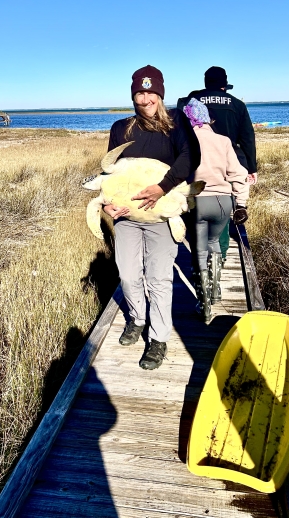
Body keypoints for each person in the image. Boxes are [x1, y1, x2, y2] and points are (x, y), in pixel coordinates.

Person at [104, 65, 200, 370]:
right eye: (139, 93)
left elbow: (190, 157)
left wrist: (162, 187)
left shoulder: (177, 123)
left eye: (151, 92)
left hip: (161, 218)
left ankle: (158, 338)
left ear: (160, 94)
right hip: (128, 217)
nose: (145, 99)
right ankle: (137, 319)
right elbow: (111, 173)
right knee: (128, 275)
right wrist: (107, 205)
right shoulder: (121, 128)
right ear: (133, 95)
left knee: (159, 279)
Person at [177, 66, 257, 259]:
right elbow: (247, 138)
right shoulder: (237, 104)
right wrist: (251, 168)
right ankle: (220, 254)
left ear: (205, 83)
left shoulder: (190, 101)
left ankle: (199, 256)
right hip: (230, 161)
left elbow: (176, 130)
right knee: (224, 208)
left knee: (195, 210)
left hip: (196, 163)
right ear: (224, 85)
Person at [181, 97, 249, 320]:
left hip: (197, 202)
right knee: (215, 243)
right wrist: (241, 203)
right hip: (223, 201)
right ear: (207, 119)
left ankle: (204, 306)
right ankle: (216, 290)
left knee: (199, 250)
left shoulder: (185, 140)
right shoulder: (223, 141)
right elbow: (238, 174)